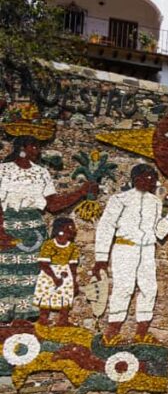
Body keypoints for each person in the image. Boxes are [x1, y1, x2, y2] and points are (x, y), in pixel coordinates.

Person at [0, 136, 95, 323]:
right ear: (21, 148)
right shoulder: (4, 171)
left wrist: (81, 192)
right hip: (9, 224)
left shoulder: (41, 173)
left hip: (34, 229)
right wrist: (1, 230)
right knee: (6, 272)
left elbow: (52, 205)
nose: (37, 150)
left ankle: (26, 318)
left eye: (38, 146)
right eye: (33, 146)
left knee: (34, 272)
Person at [92, 164, 168, 341]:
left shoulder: (155, 202)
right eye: (149, 177)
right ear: (137, 178)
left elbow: (158, 233)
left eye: (154, 178)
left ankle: (141, 334)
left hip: (147, 250)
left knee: (149, 289)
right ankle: (112, 333)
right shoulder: (120, 200)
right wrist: (101, 258)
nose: (153, 181)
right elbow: (106, 227)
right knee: (124, 288)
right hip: (125, 248)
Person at [33, 217, 80, 326]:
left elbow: (73, 266)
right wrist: (54, 277)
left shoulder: (72, 247)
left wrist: (74, 281)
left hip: (65, 272)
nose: (74, 229)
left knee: (65, 295)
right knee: (46, 294)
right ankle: (43, 319)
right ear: (61, 228)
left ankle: (63, 320)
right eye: (70, 227)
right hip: (49, 273)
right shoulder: (49, 244)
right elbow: (43, 264)